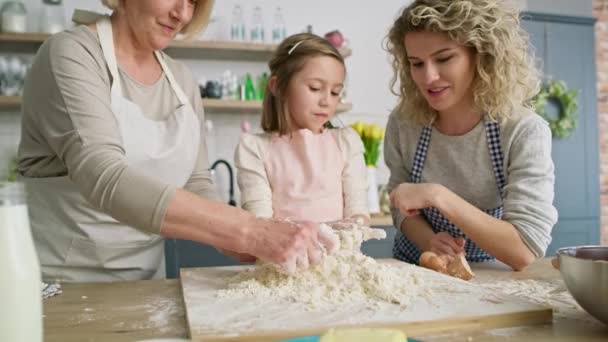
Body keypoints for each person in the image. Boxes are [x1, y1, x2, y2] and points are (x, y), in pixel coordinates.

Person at [17, 0, 334, 283]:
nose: (182, 13)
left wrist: (237, 242)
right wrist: (249, 231)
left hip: (147, 282)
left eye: (193, 1)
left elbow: (195, 181)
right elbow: (103, 174)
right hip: (63, 283)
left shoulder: (181, 80)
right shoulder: (71, 53)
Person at [383, 0, 558, 271]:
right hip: (417, 271)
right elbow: (401, 205)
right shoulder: (404, 123)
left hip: (493, 280)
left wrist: (437, 195)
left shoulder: (523, 130)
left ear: (482, 55)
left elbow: (525, 250)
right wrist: (431, 242)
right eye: (416, 63)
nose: (428, 77)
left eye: (444, 58)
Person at [235, 33, 369, 226]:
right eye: (315, 88)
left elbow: (358, 211)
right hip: (280, 255)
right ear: (277, 86)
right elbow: (260, 223)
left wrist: (355, 225)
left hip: (340, 255)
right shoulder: (254, 149)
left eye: (335, 92)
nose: (326, 101)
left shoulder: (346, 143)